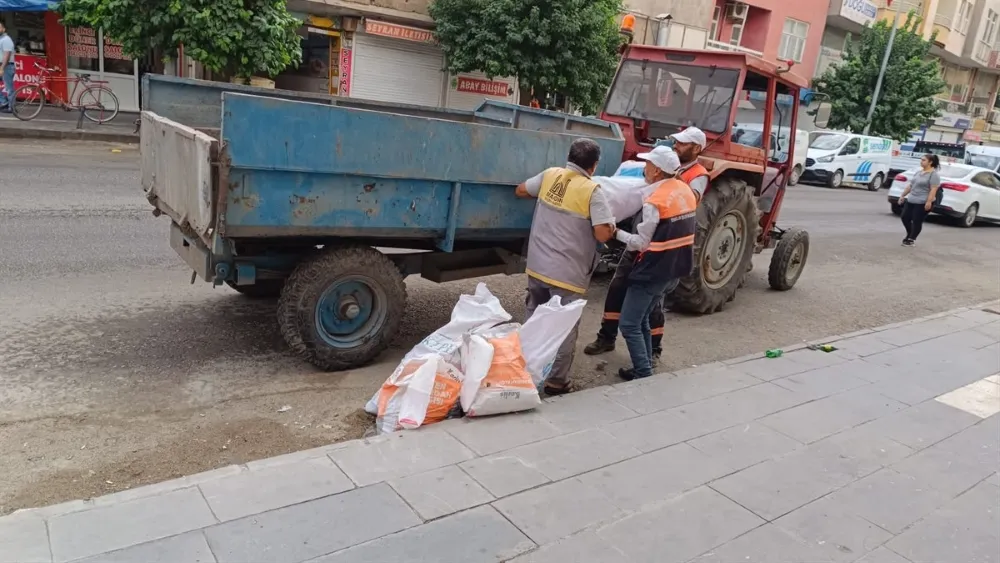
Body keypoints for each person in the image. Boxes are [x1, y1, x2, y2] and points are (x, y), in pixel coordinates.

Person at [583, 127, 709, 360]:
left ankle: (653, 348)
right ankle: (606, 337)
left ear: (696, 148)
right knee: (617, 287)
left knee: (653, 303)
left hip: (662, 248)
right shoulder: (665, 170)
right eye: (676, 142)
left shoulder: (697, 175)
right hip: (641, 239)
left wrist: (668, 180)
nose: (677, 146)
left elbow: (691, 201)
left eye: (683, 144)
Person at [516, 138, 616, 395]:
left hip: (537, 266)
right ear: (594, 166)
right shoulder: (592, 191)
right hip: (566, 274)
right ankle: (556, 381)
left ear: (569, 158)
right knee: (564, 326)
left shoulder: (550, 176)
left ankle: (522, 367)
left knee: (534, 317)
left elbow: (521, 190)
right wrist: (612, 225)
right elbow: (603, 234)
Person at [612, 146, 697, 381]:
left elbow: (640, 243)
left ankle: (643, 372)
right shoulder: (684, 190)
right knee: (642, 318)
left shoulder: (654, 200)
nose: (644, 167)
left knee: (629, 324)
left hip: (653, 270)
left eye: (648, 164)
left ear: (657, 171)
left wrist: (614, 232)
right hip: (676, 269)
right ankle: (645, 362)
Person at [898, 153, 941, 247]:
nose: (921, 162)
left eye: (923, 160)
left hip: (922, 202)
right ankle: (910, 234)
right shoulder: (918, 172)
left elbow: (934, 189)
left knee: (917, 220)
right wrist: (903, 195)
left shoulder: (934, 175)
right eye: (921, 160)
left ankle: (911, 239)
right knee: (905, 217)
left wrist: (929, 201)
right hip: (911, 199)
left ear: (930, 162)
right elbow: (911, 185)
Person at [0, 22, 15, 114]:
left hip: (7, 66)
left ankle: (12, 107)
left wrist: (2, 67)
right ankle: (4, 102)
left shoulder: (6, 39)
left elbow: (7, 54)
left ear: (4, 29)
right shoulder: (1, 39)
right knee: (8, 87)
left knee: (9, 88)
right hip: (3, 66)